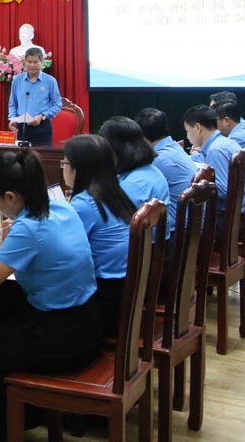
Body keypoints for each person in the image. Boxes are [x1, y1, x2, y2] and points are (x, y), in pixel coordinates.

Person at [0, 149, 101, 442]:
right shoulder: (62, 208)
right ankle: (16, 418)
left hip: (59, 338)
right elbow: (46, 254)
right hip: (89, 324)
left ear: (10, 197)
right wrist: (1, 255)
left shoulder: (27, 228)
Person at [62, 134, 136, 336]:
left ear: (79, 168)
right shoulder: (116, 193)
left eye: (65, 163)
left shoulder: (84, 203)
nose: (63, 168)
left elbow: (62, 254)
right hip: (128, 294)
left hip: (104, 303)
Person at [99, 116, 172, 237]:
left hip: (141, 251)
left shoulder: (135, 184)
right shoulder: (150, 170)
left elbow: (112, 228)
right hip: (152, 248)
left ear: (115, 149)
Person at [184, 104, 241, 242]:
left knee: (181, 223)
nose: (187, 136)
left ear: (197, 127)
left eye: (187, 131)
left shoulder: (216, 150)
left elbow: (222, 191)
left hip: (223, 222)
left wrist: (197, 188)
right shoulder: (224, 143)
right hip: (236, 216)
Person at [135, 107, 198, 232]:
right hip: (190, 226)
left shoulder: (158, 160)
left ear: (142, 136)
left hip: (176, 232)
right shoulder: (175, 147)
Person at [7, 48, 61, 147]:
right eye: (29, 62)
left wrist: (42, 116)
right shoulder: (17, 80)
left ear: (41, 62)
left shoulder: (50, 81)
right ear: (25, 62)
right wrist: (13, 118)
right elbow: (12, 104)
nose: (32, 65)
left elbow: (57, 104)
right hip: (22, 127)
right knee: (22, 160)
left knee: (42, 160)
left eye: (35, 62)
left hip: (42, 127)